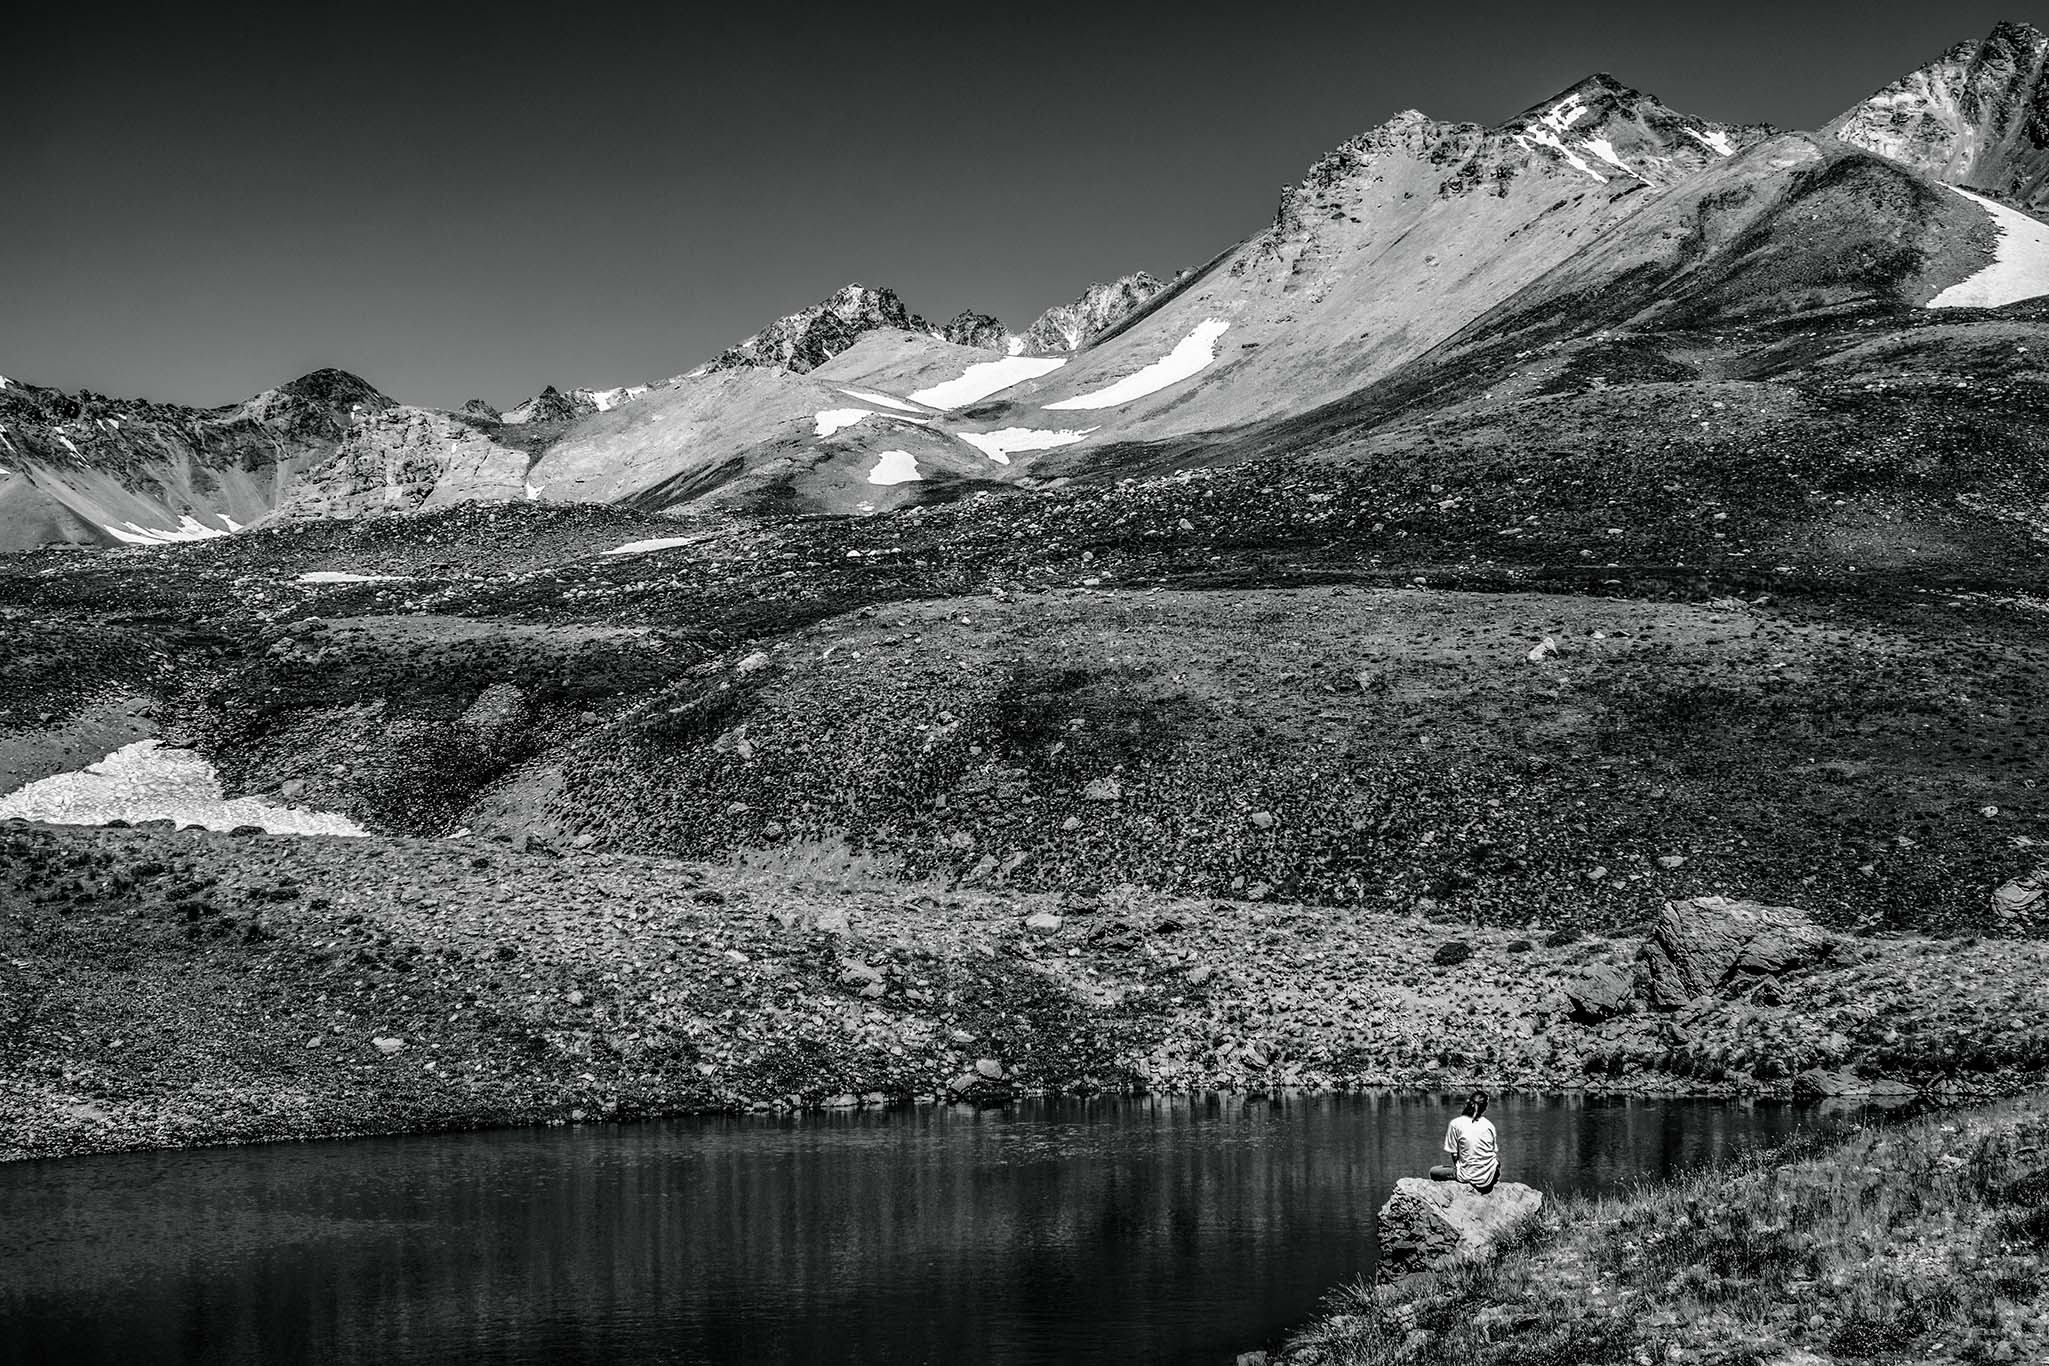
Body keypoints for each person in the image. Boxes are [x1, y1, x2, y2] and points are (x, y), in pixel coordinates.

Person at [1429, 1091, 1499, 1192]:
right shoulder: (1489, 1125)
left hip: (1467, 1176)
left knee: (1434, 1171)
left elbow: (1454, 1154)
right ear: (1485, 1108)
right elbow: (1492, 1152)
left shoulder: (1455, 1124)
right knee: (1497, 1163)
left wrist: (1462, 1168)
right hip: (1488, 1177)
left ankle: (1465, 1175)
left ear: (1467, 1103)